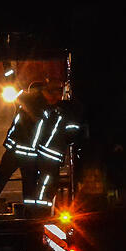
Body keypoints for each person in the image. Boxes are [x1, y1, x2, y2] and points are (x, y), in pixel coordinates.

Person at [0, 80, 48, 215]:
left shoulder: (23, 101)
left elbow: (16, 91)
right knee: (29, 183)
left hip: (14, 150)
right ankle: (30, 212)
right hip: (30, 153)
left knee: (0, 178)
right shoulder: (44, 107)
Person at [33, 80, 82, 213]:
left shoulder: (52, 110)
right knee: (48, 183)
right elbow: (71, 134)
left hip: (45, 152)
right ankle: (41, 210)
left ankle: (41, 209)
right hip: (51, 154)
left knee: (46, 183)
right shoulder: (68, 112)